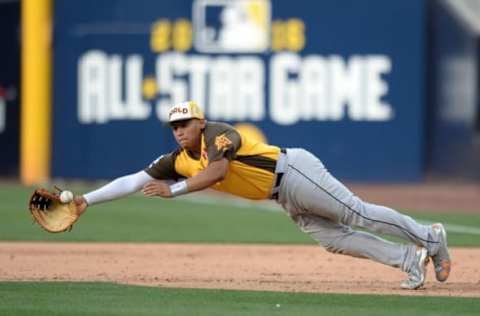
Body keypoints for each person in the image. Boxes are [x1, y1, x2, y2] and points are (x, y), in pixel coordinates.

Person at [74, 101, 451, 290]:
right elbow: (131, 180)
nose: (178, 131)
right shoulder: (177, 160)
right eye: (173, 126)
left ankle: (430, 237)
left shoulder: (218, 134)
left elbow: (218, 171)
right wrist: (85, 201)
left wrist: (173, 191)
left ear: (199, 122)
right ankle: (409, 259)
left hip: (295, 172)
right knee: (335, 240)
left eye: (184, 123)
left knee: (356, 214)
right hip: (282, 195)